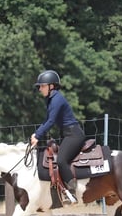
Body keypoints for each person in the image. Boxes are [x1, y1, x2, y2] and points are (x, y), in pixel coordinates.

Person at [30, 69, 85, 204]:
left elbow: (51, 121)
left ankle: (72, 192)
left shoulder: (57, 100)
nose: (40, 89)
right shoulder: (51, 99)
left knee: (61, 160)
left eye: (42, 86)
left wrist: (38, 135)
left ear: (51, 86)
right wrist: (37, 133)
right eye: (39, 86)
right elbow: (47, 120)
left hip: (73, 135)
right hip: (66, 134)